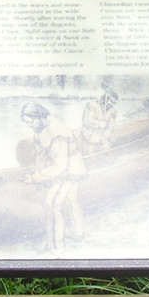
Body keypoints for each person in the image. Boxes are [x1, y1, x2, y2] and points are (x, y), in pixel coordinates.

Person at [21, 102, 86, 252]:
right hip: (61, 168)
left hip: (70, 170)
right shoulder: (39, 128)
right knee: (71, 200)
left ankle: (57, 245)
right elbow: (40, 155)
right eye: (26, 122)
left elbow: (59, 166)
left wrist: (35, 178)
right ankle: (76, 234)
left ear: (39, 117)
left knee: (53, 203)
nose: (29, 125)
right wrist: (38, 174)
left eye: (30, 121)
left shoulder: (57, 133)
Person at [81, 84, 118, 153]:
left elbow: (111, 126)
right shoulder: (92, 106)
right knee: (92, 145)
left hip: (103, 134)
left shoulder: (111, 111)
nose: (111, 105)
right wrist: (99, 123)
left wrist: (105, 135)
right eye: (110, 102)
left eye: (113, 103)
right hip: (89, 132)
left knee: (106, 147)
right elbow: (87, 120)